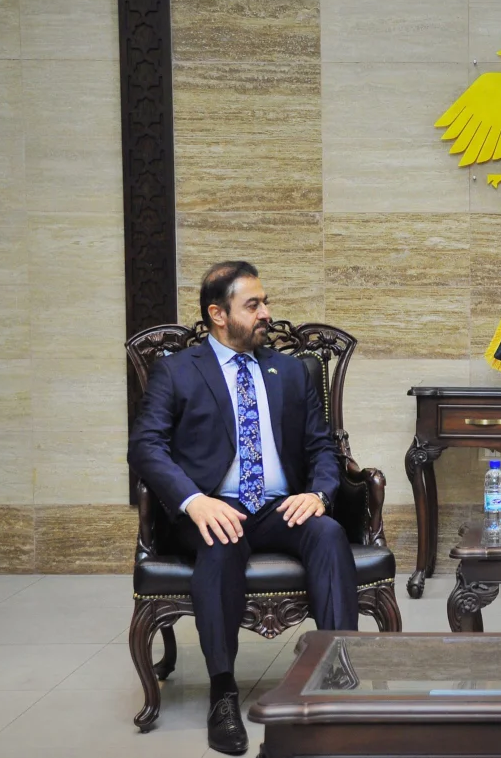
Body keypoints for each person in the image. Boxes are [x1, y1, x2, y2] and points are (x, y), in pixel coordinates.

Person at [129, 261, 358, 755]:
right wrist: (194, 501)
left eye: (265, 302)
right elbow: (145, 446)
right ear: (218, 314)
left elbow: (321, 447)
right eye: (253, 305)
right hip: (212, 506)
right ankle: (223, 693)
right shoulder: (178, 370)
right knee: (220, 540)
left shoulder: (290, 371)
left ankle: (339, 679)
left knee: (328, 533)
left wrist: (318, 494)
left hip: (280, 505)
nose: (266, 313)